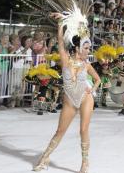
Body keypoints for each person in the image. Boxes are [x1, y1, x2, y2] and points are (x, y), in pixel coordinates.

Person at [33, 12, 101, 172]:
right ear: (77, 48)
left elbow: (98, 79)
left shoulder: (87, 65)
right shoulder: (65, 60)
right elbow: (60, 42)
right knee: (60, 131)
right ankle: (45, 158)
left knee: (83, 130)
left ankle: (85, 162)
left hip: (86, 98)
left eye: (89, 48)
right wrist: (60, 24)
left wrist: (92, 89)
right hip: (69, 101)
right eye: (86, 47)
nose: (88, 50)